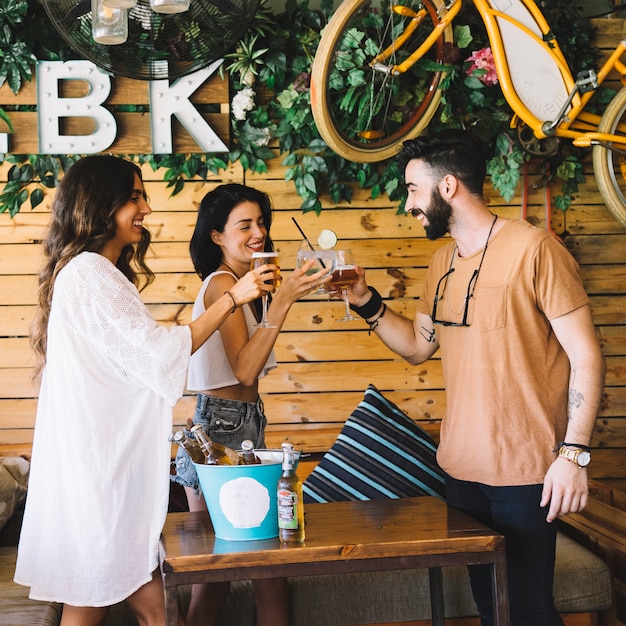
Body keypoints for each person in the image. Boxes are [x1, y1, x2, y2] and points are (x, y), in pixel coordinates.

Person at [345, 129, 605, 626]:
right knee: (492, 609)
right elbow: (419, 347)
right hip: (460, 474)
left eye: (412, 190)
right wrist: (365, 301)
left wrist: (573, 454)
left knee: (528, 611)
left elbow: (587, 357)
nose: (408, 205)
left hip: (529, 474)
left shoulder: (535, 250)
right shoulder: (441, 263)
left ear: (447, 188)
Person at [14, 156, 272, 626]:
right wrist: (235, 297)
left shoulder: (91, 273)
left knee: (113, 603)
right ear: (99, 203)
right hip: (99, 475)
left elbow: (142, 362)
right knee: (132, 605)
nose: (146, 208)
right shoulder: (90, 272)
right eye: (134, 196)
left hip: (99, 469)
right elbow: (158, 355)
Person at [171, 183, 328, 626]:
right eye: (245, 225)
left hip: (239, 421)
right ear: (217, 236)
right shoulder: (224, 283)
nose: (258, 232)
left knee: (244, 573)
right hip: (222, 426)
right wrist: (281, 303)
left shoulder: (245, 284)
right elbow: (245, 371)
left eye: (262, 223)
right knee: (239, 572)